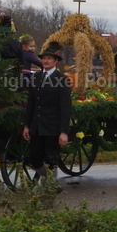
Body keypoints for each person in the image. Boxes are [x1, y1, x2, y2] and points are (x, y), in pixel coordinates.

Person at [22, 43, 71, 180]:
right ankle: (51, 182)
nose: (46, 61)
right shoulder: (35, 77)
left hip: (52, 127)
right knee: (34, 159)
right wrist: (26, 125)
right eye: (44, 58)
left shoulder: (62, 80)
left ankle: (50, 187)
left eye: (49, 58)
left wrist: (64, 132)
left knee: (51, 159)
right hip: (36, 127)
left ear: (55, 61)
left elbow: (65, 107)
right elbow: (31, 103)